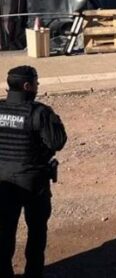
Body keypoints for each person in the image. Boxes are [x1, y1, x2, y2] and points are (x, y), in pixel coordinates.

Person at [0, 66, 67, 278]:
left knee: (4, 232)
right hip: (33, 182)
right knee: (37, 231)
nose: (38, 87)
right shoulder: (39, 112)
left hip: (3, 182)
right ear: (27, 86)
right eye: (36, 83)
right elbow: (57, 142)